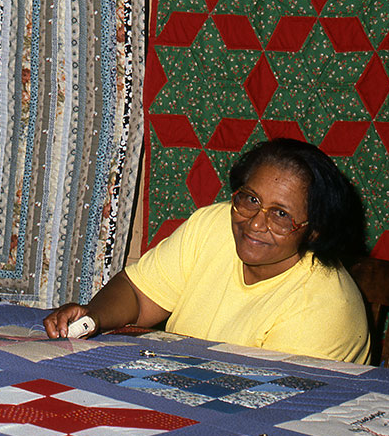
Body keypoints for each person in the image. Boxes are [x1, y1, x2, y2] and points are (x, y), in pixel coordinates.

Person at [44, 138, 371, 364]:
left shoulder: (324, 307)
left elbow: (270, 401)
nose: (255, 224)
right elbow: (139, 294)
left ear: (314, 230)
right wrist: (94, 316)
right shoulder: (214, 224)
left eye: (281, 214)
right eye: (250, 200)